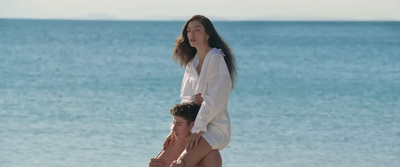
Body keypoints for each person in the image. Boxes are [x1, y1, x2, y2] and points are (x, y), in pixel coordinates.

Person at [164, 15, 237, 167]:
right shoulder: (192, 64)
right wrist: (175, 127)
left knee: (180, 164)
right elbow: (186, 101)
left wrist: (198, 130)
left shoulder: (216, 58)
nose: (192, 34)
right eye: (189, 31)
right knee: (161, 161)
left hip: (214, 127)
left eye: (197, 30)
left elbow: (214, 101)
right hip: (193, 125)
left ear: (207, 34)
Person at [149, 102, 222, 167]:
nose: (173, 129)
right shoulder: (173, 144)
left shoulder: (211, 154)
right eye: (173, 124)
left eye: (178, 124)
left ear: (193, 125)